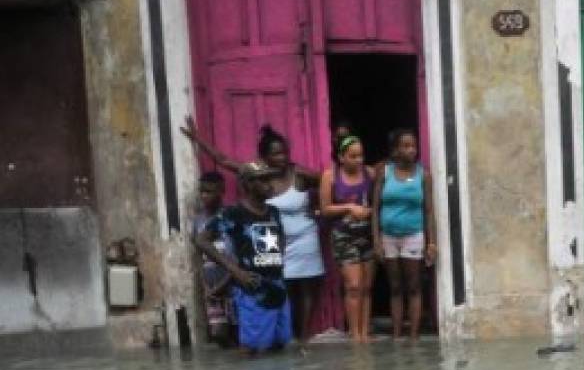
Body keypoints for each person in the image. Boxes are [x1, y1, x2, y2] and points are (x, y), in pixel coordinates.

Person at [180, 117, 324, 340]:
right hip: (265, 257)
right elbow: (223, 160)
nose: (282, 158)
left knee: (300, 293)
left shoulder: (297, 177)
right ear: (264, 158)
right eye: (276, 154)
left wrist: (322, 210)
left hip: (298, 245)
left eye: (284, 152)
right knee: (269, 299)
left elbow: (327, 181)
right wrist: (198, 138)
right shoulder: (248, 189)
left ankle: (301, 336)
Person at [193, 162, 291, 355]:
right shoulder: (233, 214)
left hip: (278, 287)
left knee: (279, 345)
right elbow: (202, 240)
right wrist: (235, 271)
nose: (269, 184)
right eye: (262, 180)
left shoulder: (274, 211)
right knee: (252, 349)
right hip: (252, 290)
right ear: (247, 184)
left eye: (269, 179)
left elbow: (280, 239)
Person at [374, 129, 436, 341]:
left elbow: (428, 210)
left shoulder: (423, 175)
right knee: (395, 287)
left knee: (414, 286)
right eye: (406, 146)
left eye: (414, 146)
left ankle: (413, 335)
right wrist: (376, 241)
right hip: (388, 236)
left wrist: (431, 242)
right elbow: (375, 209)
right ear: (396, 150)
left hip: (413, 235)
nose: (412, 150)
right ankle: (397, 333)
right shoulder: (384, 172)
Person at [320, 134, 376, 344]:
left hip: (367, 234)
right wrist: (349, 207)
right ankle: (354, 333)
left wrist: (368, 212)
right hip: (344, 236)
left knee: (366, 286)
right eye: (353, 156)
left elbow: (377, 202)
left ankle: (365, 331)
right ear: (341, 157)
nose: (358, 161)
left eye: (361, 156)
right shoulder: (330, 176)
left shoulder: (370, 173)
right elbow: (325, 209)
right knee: (353, 285)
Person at [193, 171, 236, 346]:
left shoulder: (231, 216)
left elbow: (237, 256)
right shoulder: (198, 220)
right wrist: (205, 285)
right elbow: (198, 254)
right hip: (212, 287)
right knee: (219, 335)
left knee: (237, 331)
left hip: (232, 284)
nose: (204, 196)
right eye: (202, 191)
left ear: (221, 191)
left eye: (209, 192)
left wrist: (225, 282)